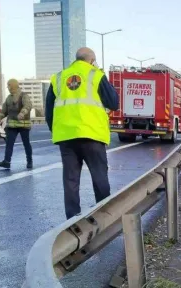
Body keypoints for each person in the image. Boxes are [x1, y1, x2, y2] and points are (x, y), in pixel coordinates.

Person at [45, 47, 119, 219]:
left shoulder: (59, 77)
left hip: (66, 137)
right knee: (99, 177)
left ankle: (72, 221)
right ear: (92, 60)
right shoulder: (95, 75)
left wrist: (56, 130)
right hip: (91, 135)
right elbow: (114, 103)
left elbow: (49, 110)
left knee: (70, 181)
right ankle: (104, 216)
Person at [0, 79, 33, 169]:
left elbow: (28, 105)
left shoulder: (23, 96)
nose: (8, 87)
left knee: (26, 143)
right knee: (9, 143)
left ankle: (29, 161)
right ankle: (7, 161)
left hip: (23, 125)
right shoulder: (9, 98)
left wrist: (22, 113)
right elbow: (4, 110)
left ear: (13, 85)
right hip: (12, 126)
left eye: (9, 85)